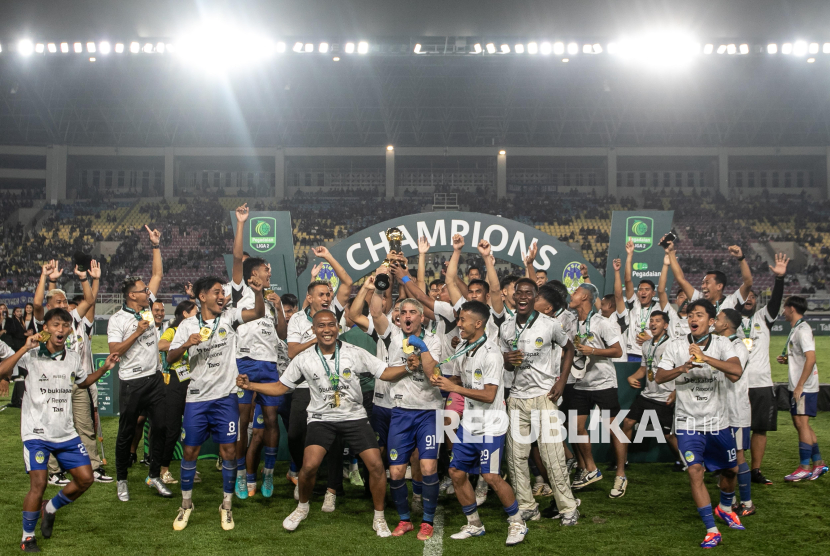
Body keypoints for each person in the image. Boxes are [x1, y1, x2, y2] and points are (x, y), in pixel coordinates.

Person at [237, 310, 416, 537]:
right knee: (309, 466)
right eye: (321, 326)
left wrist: (408, 368)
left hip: (354, 417)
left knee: (376, 466)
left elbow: (385, 372)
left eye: (331, 325)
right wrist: (251, 386)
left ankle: (379, 517)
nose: (326, 330)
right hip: (321, 419)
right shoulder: (303, 358)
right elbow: (281, 387)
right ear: (313, 330)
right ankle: (302, 508)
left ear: (337, 328)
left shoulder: (354, 353)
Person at [0, 309, 119, 553]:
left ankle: (51, 508)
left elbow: (82, 382)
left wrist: (105, 368)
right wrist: (23, 347)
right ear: (46, 328)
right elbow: (2, 371)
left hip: (65, 433)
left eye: (65, 325)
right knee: (39, 483)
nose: (62, 330)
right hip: (36, 434)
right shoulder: (31, 354)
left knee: (86, 479)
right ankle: (27, 537)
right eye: (56, 325)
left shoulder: (73, 357)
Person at [166, 274, 265, 531]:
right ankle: (186, 505)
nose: (222, 296)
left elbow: (257, 313)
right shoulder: (188, 325)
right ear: (202, 297)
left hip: (225, 398)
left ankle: (227, 506)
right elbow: (169, 358)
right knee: (190, 453)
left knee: (229, 453)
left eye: (223, 292)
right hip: (197, 398)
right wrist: (187, 344)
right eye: (217, 292)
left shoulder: (229, 318)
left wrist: (258, 292)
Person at [430, 301, 528, 546]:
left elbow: (488, 395)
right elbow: (460, 379)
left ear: (478, 323)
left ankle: (517, 522)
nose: (458, 324)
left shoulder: (492, 354)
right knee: (456, 472)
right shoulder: (464, 346)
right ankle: (474, 523)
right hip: (470, 423)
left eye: (462, 320)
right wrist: (442, 380)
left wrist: (454, 388)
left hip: (491, 425)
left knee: (491, 476)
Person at [655, 299, 745, 549]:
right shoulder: (674, 345)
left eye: (699, 315)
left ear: (712, 320)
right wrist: (682, 368)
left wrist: (705, 358)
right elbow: (660, 376)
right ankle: (711, 529)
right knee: (696, 471)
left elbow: (736, 371)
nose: (693, 319)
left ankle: (725, 507)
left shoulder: (722, 343)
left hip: (718, 422)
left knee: (731, 472)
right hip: (687, 423)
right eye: (690, 315)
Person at [369, 273, 442, 541]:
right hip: (399, 412)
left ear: (422, 318)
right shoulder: (391, 334)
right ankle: (404, 520)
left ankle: (427, 521)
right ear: (398, 317)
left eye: (413, 312)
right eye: (403, 312)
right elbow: (376, 311)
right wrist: (380, 284)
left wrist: (421, 350)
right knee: (397, 471)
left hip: (428, 412)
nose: (407, 316)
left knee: (428, 468)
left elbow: (434, 375)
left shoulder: (433, 340)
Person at [500, 278, 579, 524]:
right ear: (514, 297)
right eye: (518, 293)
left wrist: (562, 381)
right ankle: (526, 506)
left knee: (552, 456)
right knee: (515, 458)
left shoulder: (550, 324)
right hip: (516, 397)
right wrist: (507, 360)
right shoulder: (505, 327)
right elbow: (504, 362)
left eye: (528, 293)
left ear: (535, 298)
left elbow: (570, 349)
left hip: (545, 396)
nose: (522, 297)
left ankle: (568, 508)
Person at [285, 246, 353, 503]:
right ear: (310, 297)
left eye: (329, 294)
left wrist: (327, 257)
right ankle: (303, 476)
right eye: (322, 294)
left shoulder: (334, 314)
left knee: (333, 440)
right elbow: (292, 352)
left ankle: (332, 490)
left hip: (331, 385)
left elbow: (347, 281)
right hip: (303, 387)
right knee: (294, 435)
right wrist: (315, 339)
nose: (327, 298)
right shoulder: (298, 320)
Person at [106, 225, 169, 502]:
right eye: (143, 290)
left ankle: (153, 475)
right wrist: (138, 331)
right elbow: (115, 350)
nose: (147, 291)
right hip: (131, 382)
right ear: (133, 295)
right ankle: (121, 479)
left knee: (162, 428)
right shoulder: (117, 320)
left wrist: (155, 245)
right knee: (127, 432)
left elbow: (157, 274)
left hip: (154, 378)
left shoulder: (146, 307)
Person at [34, 260, 109, 485]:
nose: (65, 304)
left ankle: (94, 466)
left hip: (76, 382)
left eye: (66, 301)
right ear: (50, 306)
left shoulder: (72, 320)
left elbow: (90, 300)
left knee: (85, 425)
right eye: (59, 301)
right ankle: (55, 471)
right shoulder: (45, 326)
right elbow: (38, 302)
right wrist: (44, 277)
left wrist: (85, 278)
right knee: (54, 425)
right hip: (53, 383)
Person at [614, 311, 678, 499]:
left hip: (664, 395)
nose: (653, 323)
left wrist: (676, 391)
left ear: (666, 325)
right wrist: (632, 376)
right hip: (647, 394)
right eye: (651, 320)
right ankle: (622, 464)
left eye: (658, 321)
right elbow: (644, 368)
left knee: (668, 435)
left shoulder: (673, 345)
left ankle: (689, 462)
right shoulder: (647, 344)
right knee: (626, 423)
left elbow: (681, 369)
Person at [568, 282, 624, 491]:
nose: (571, 295)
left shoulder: (603, 322)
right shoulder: (572, 322)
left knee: (612, 429)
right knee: (576, 428)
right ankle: (591, 469)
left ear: (584, 297)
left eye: (575, 292)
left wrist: (592, 351)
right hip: (581, 384)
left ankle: (620, 474)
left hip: (604, 383)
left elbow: (617, 351)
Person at [739, 254, 788, 485]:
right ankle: (733, 467)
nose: (749, 299)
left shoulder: (764, 318)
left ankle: (755, 470)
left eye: (752, 297)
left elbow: (776, 302)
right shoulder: (730, 319)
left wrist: (779, 279)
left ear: (757, 301)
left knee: (759, 429)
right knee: (736, 428)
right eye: (746, 296)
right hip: (737, 383)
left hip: (761, 384)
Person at [777, 295, 828, 482]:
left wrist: (799, 386)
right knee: (802, 424)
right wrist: (787, 360)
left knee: (801, 424)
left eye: (785, 307)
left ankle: (805, 467)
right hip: (800, 384)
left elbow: (811, 358)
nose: (783, 311)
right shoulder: (798, 329)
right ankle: (818, 463)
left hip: (803, 386)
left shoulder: (802, 330)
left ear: (791, 308)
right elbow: (802, 357)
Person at [713, 308, 754, 516]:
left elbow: (734, 376)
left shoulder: (738, 346)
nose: (715, 321)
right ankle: (732, 500)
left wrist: (711, 363)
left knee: (738, 456)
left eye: (718, 319)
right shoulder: (722, 343)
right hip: (723, 410)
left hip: (736, 410)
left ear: (726, 324)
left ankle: (747, 503)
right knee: (725, 457)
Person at [157, 300, 199, 485]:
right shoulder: (173, 330)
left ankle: (190, 467)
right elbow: (161, 345)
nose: (198, 315)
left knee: (191, 429)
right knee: (172, 429)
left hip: (193, 382)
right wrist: (181, 342)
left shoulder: (200, 331)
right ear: (185, 314)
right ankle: (163, 469)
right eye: (195, 312)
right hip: (175, 382)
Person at [664, 236, 753, 313]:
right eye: (702, 283)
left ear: (719, 286)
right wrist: (671, 252)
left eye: (707, 282)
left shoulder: (732, 301)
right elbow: (681, 280)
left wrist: (741, 258)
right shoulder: (699, 299)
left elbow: (748, 282)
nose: (703, 286)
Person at [622, 240, 660, 362]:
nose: (643, 292)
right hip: (634, 353)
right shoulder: (634, 303)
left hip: (652, 351)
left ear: (653, 293)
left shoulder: (660, 308)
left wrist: (652, 339)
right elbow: (627, 280)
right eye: (640, 290)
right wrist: (630, 255)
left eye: (647, 290)